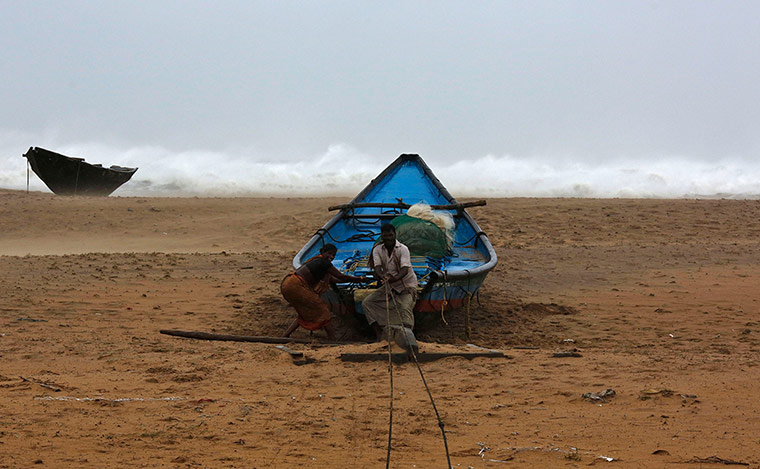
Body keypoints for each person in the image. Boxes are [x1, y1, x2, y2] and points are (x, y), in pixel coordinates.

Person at [281, 244, 367, 340]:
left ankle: (286, 335)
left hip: (287, 283)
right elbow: (341, 277)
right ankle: (332, 339)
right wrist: (360, 279)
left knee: (305, 312)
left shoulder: (317, 261)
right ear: (322, 252)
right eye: (329, 253)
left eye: (334, 255)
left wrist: (355, 279)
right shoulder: (324, 263)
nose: (331, 257)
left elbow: (335, 279)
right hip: (296, 286)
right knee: (323, 310)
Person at [361, 224, 418, 342]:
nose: (388, 238)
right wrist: (382, 276)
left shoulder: (403, 249)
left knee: (404, 306)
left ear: (395, 235)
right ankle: (379, 333)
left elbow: (405, 269)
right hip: (389, 284)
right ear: (382, 236)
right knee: (367, 303)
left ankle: (407, 336)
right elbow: (377, 266)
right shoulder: (377, 249)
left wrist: (395, 278)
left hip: (406, 285)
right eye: (385, 236)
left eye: (390, 235)